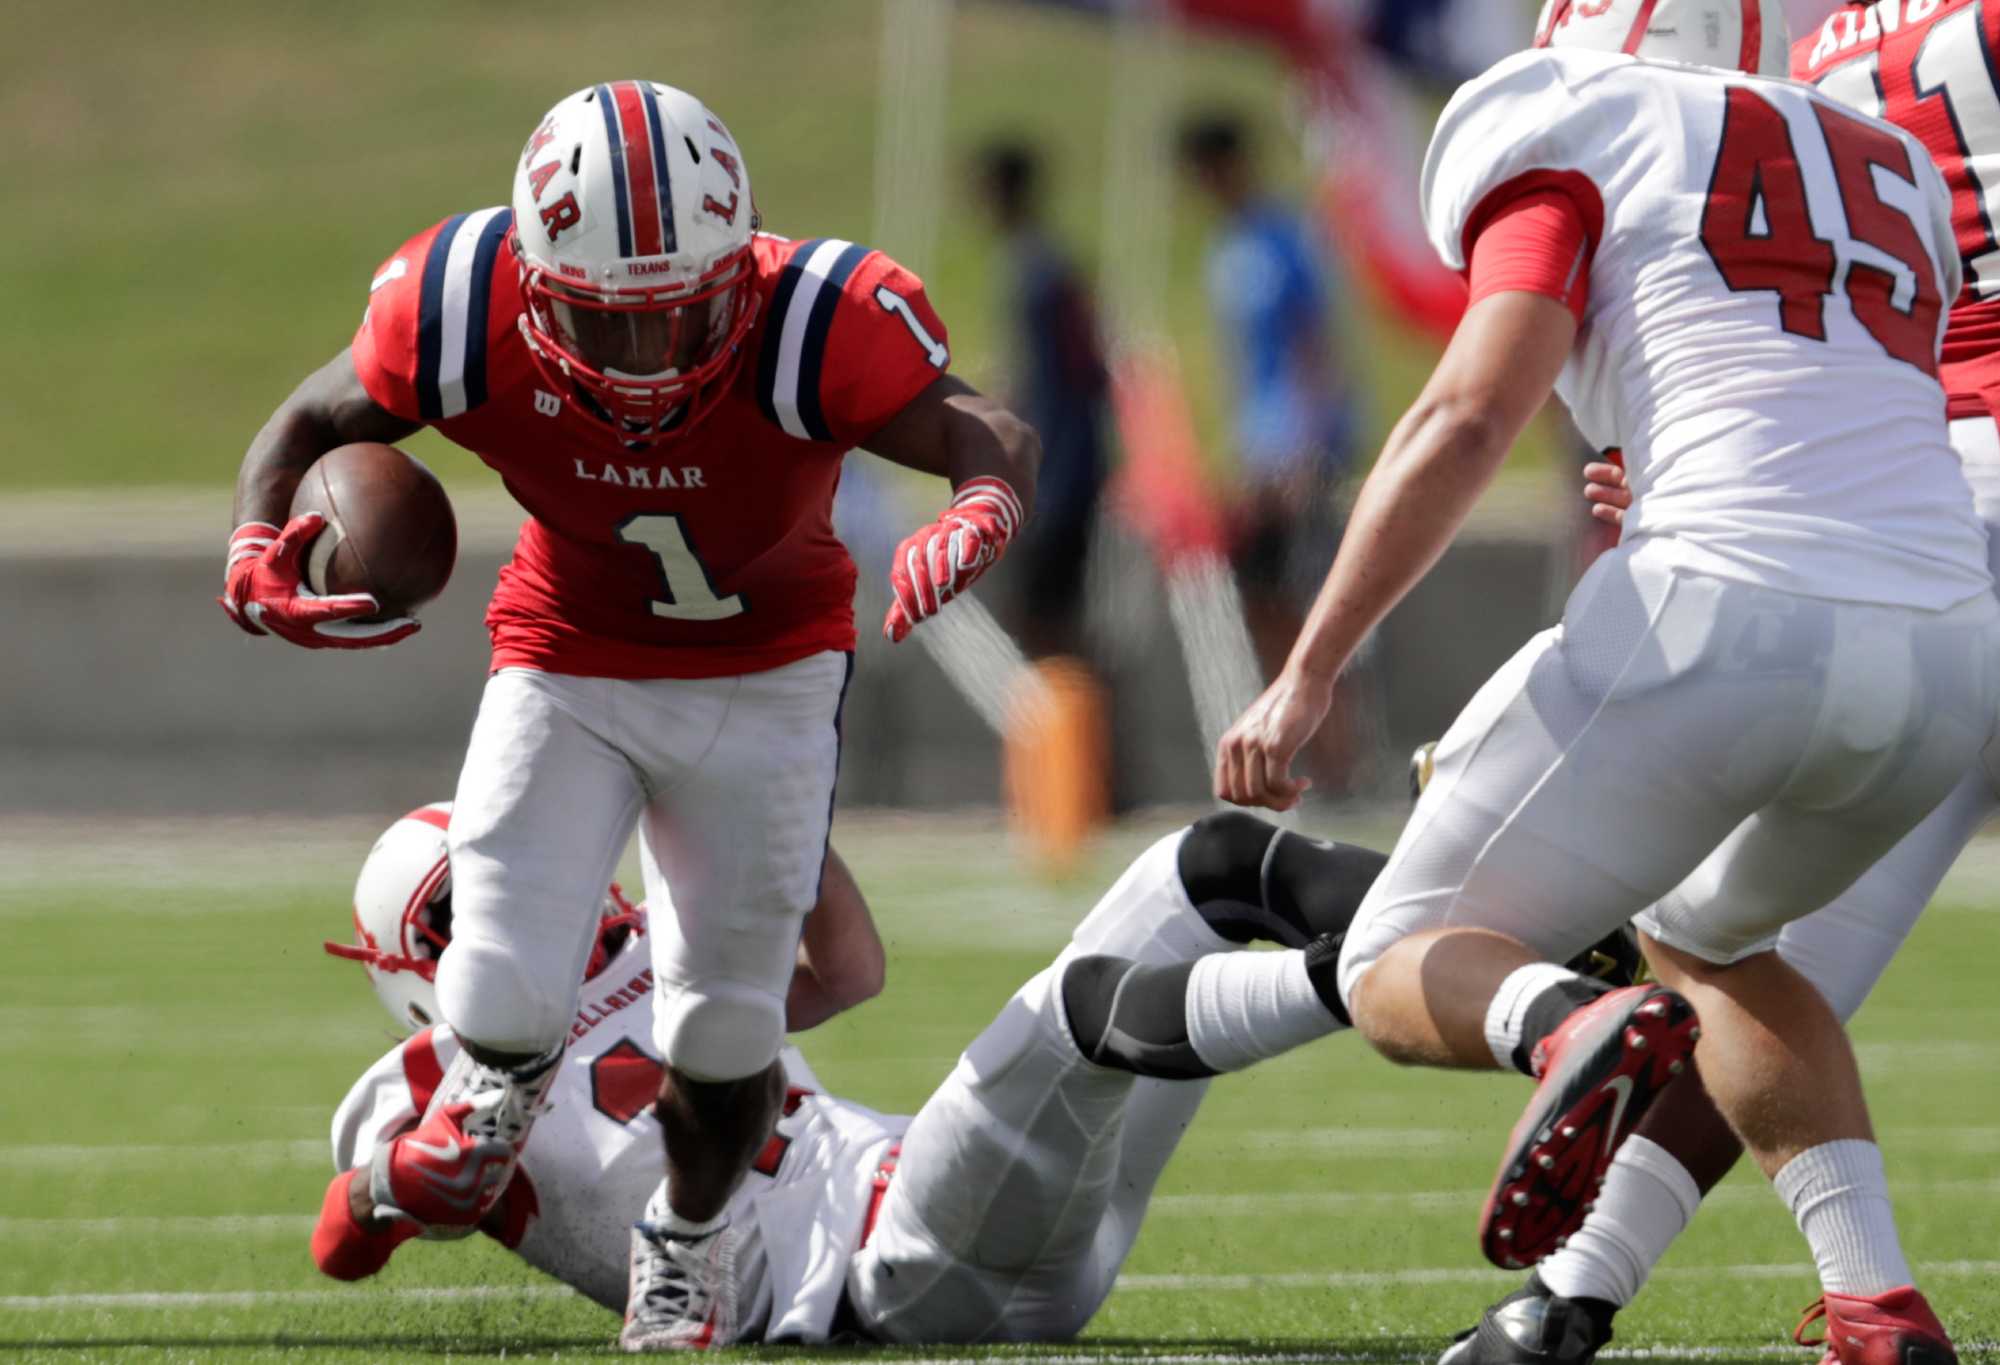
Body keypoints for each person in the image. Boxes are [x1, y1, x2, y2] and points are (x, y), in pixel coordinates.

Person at [1212, 3, 2000, 1362]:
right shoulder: (1881, 154)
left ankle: (1565, 1020)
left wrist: (1306, 671)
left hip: (1726, 614)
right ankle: (1877, 1300)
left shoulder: (1583, 115)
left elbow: (1471, 409)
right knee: (1712, 942)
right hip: (1948, 652)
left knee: (1393, 965)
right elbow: (1833, 404)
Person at [219, 80, 1039, 1350]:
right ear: (541, 288)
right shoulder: (460, 296)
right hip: (570, 650)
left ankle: (688, 1242)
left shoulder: (815, 312)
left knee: (724, 1022)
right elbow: (315, 418)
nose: (650, 361)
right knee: (499, 941)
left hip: (766, 675)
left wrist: (980, 504)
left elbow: (985, 426)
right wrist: (256, 543)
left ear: (743, 263)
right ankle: (485, 1092)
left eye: (685, 317)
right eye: (611, 325)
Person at [1446, 0, 2000, 1360]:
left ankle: (1590, 1298)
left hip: (1932, 538)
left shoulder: (1819, 56)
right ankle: (1599, 1290)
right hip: (1961, 500)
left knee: (1730, 952)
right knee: (1730, 953)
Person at [315, 803, 1404, 1344]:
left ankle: (1482, 922)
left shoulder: (649, 940)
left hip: (959, 1205)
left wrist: (774, 804)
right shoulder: (430, 1079)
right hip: (887, 1270)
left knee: (1204, 866)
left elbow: (847, 969)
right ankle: (1381, 984)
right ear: (408, 963)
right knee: (1078, 1018)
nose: (524, 909)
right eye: (472, 904)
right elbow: (340, 1244)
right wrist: (394, 1186)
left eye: (525, 873)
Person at [1177, 109, 1368, 796]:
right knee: (1262, 603)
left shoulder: (1284, 238)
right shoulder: (1225, 249)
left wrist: (1306, 447)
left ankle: (1340, 768)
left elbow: (1315, 346)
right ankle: (1291, 759)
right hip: (1256, 454)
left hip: (1299, 454)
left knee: (1311, 612)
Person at [971, 140, 1112, 662]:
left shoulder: (1035, 273)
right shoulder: (1047, 264)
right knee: (1053, 618)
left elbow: (1051, 380)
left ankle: (1076, 738)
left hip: (1054, 472)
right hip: (1066, 466)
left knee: (1047, 622)